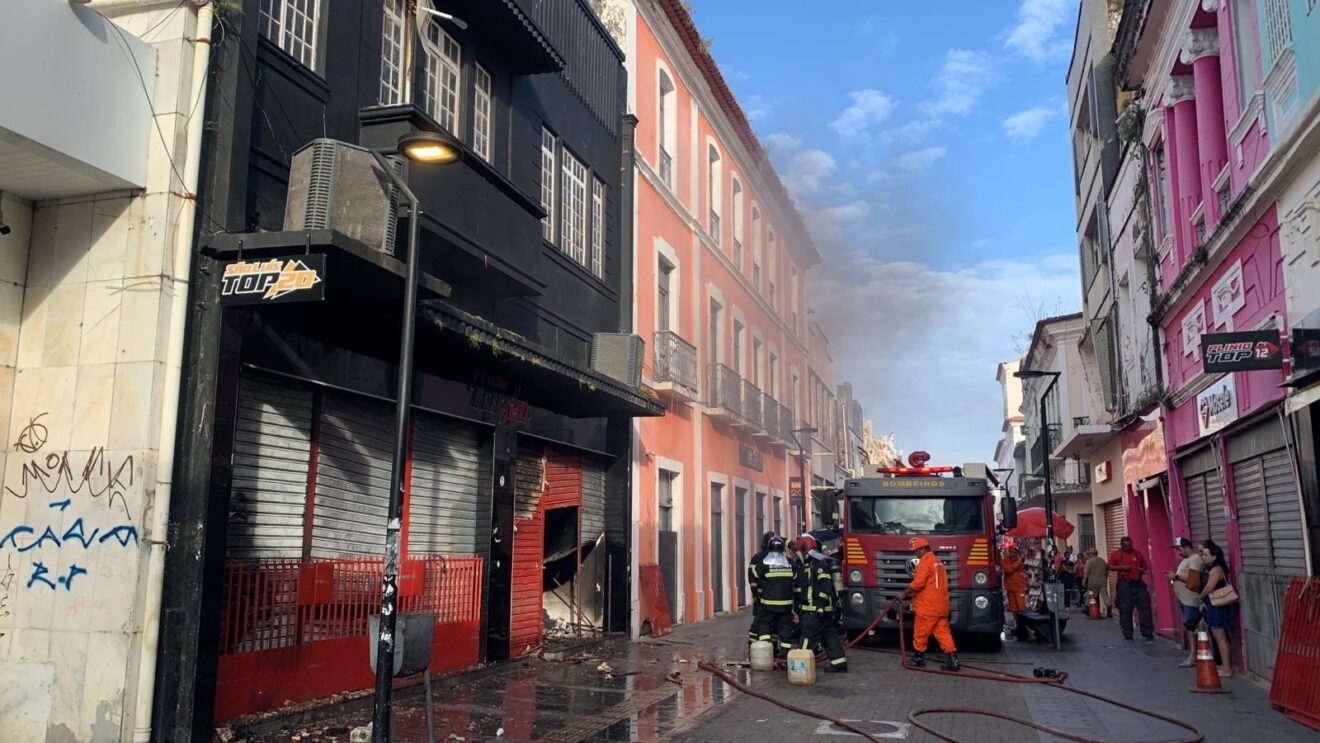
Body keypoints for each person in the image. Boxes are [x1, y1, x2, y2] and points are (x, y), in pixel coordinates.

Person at [901, 536, 959, 671]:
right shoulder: (937, 562)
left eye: (916, 550)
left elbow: (918, 584)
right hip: (941, 606)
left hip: (928, 606)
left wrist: (904, 593)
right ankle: (953, 660)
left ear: (922, 549)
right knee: (943, 633)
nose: (915, 553)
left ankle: (918, 658)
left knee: (920, 632)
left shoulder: (924, 563)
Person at [794, 536, 847, 673]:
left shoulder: (817, 564)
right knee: (829, 638)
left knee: (807, 639)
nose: (798, 555)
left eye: (799, 551)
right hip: (824, 611)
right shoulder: (813, 563)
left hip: (815, 612)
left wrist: (818, 605)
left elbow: (826, 585)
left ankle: (801, 669)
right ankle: (839, 664)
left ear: (805, 550)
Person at [748, 536, 797, 658]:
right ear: (782, 548)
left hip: (768, 604)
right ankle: (785, 654)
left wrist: (758, 595)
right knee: (785, 628)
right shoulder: (790, 563)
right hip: (786, 605)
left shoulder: (764, 564)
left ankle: (767, 649)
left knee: (763, 623)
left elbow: (756, 579)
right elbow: (795, 580)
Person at [1164, 537, 1204, 667]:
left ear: (1187, 547)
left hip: (1190, 600)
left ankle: (1193, 656)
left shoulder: (1195, 559)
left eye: (1179, 549)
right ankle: (1193, 654)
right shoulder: (1186, 560)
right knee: (1190, 627)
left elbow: (1193, 578)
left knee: (1191, 627)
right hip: (1185, 599)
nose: (1178, 552)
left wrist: (1175, 577)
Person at [1197, 540, 1234, 679]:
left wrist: (1200, 598)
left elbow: (1209, 587)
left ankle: (1226, 668)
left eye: (1206, 555)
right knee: (1219, 637)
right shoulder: (1213, 569)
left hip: (1216, 605)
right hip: (1213, 605)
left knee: (1220, 637)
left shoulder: (1216, 570)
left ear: (1214, 557)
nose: (1203, 557)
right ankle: (1224, 666)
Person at [1107, 536, 1155, 641]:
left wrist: (1142, 569)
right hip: (1125, 584)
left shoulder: (1137, 554)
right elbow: (1109, 566)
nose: (1128, 547)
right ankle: (1127, 632)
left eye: (1129, 545)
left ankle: (1147, 632)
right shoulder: (1116, 555)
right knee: (1125, 610)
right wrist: (1122, 568)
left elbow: (1145, 566)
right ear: (1122, 546)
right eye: (1125, 546)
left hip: (1138, 583)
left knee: (1144, 608)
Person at [747, 531, 777, 644]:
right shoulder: (779, 558)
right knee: (773, 621)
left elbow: (752, 577)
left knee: (760, 619)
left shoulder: (756, 558)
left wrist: (754, 594)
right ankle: (773, 646)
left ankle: (755, 644)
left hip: (761, 595)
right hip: (774, 596)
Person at [1000, 545, 1029, 641]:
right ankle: (1019, 628)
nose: (1014, 554)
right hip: (1011, 588)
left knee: (1020, 609)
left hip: (1018, 588)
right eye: (1012, 551)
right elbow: (1008, 569)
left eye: (1015, 552)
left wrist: (1010, 565)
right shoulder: (1009, 560)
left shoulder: (1013, 561)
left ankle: (1022, 629)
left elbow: (1008, 569)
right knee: (1014, 609)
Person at [1083, 548, 1111, 617]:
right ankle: (1109, 611)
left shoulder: (1089, 561)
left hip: (1093, 581)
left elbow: (1086, 572)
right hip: (1102, 581)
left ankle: (1087, 609)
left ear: (1091, 554)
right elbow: (1107, 571)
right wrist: (1105, 578)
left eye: (1089, 554)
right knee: (1105, 596)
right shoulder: (1102, 561)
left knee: (1091, 595)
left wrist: (1084, 580)